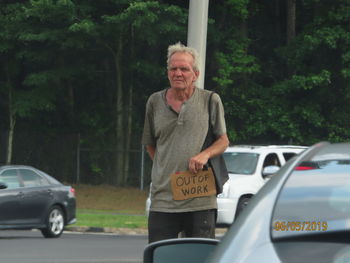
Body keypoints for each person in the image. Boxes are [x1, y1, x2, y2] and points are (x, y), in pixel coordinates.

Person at [142, 42, 229, 243]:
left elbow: (223, 141)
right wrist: (165, 168)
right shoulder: (154, 102)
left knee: (198, 255)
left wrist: (204, 154)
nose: (178, 73)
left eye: (184, 69)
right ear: (168, 73)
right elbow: (149, 144)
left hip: (200, 198)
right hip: (163, 199)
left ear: (195, 74)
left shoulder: (210, 100)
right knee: (161, 255)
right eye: (173, 69)